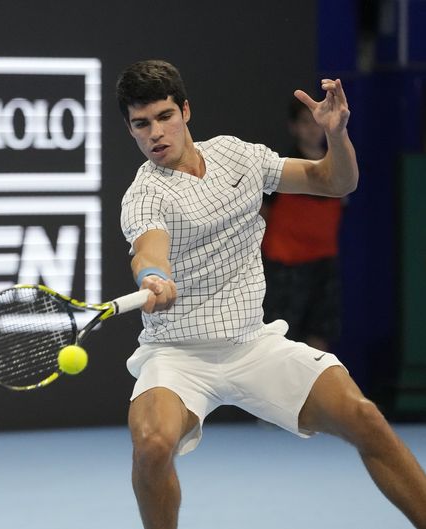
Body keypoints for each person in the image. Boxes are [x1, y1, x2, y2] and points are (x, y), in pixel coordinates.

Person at [116, 59, 426, 529]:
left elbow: (335, 181)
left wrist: (336, 135)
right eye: (142, 124)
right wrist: (154, 277)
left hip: (253, 344)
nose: (155, 133)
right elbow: (147, 250)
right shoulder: (144, 195)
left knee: (364, 417)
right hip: (177, 355)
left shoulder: (237, 155)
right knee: (152, 445)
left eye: (164, 116)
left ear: (185, 111)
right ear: (131, 130)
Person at [260, 97, 344, 352]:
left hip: (323, 266)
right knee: (280, 340)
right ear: (293, 127)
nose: (312, 129)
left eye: (316, 123)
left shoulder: (340, 168)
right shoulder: (279, 168)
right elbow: (262, 216)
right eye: (305, 123)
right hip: (284, 267)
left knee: (319, 336)